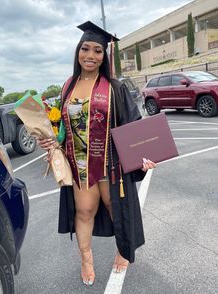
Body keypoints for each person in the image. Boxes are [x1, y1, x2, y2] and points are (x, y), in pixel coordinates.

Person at [37, 21, 156, 286]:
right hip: (79, 164)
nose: (90, 56)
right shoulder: (68, 86)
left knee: (117, 210)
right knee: (84, 211)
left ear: (105, 56)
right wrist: (51, 142)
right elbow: (63, 130)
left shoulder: (114, 87)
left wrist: (144, 155)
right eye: (85, 49)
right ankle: (86, 260)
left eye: (97, 51)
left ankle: (123, 250)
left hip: (110, 163)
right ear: (78, 51)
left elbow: (133, 125)